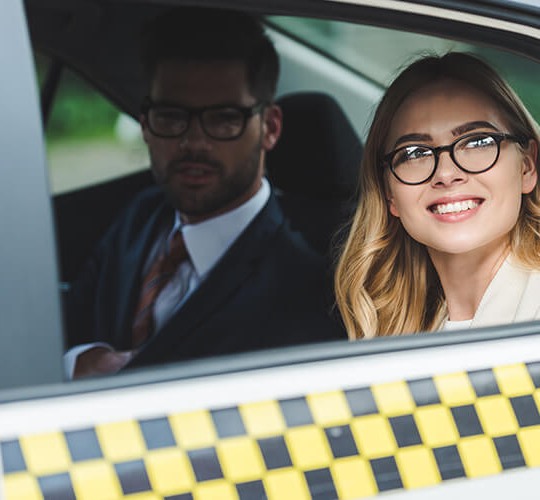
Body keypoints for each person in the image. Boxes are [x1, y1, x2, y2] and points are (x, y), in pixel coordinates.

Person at [65, 7, 344, 377]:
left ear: (270, 128)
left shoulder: (307, 285)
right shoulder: (139, 216)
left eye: (224, 118)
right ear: (146, 125)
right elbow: (65, 324)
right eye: (170, 116)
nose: (193, 142)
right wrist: (82, 361)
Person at [334, 53, 540, 339]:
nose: (446, 173)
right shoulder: (392, 324)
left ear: (527, 166)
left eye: (478, 142)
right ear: (389, 194)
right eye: (415, 153)